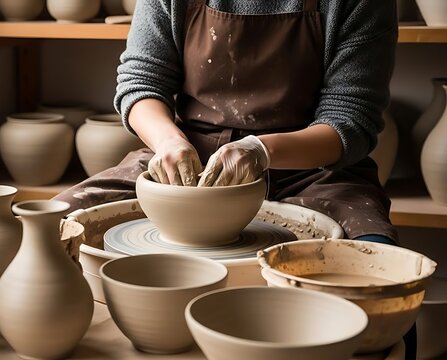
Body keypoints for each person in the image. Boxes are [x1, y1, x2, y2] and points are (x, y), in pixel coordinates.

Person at [54, 1, 414, 355]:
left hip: (313, 166)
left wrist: (262, 151)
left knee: (381, 276)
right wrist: (167, 140)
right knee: (52, 224)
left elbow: (351, 117)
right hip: (187, 156)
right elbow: (141, 81)